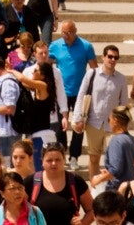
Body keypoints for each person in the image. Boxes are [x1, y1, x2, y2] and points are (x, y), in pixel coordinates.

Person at [72, 46, 129, 178]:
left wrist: (124, 126)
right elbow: (81, 96)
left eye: (115, 57)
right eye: (110, 56)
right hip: (94, 122)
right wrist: (77, 117)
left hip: (113, 124)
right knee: (94, 158)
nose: (112, 60)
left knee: (114, 160)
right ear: (103, 57)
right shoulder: (91, 74)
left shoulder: (121, 79)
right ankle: (94, 188)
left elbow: (124, 103)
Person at [48, 20, 96, 170]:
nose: (66, 36)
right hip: (60, 92)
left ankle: (74, 156)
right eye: (63, 32)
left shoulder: (86, 46)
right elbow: (47, 66)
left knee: (78, 126)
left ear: (75, 31)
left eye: (69, 32)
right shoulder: (55, 46)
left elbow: (94, 69)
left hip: (79, 93)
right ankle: (61, 154)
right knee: (59, 127)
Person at [24, 142, 93, 225]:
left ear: (64, 160)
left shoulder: (76, 181)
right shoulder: (30, 182)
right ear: (42, 161)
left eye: (58, 159)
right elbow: (16, 209)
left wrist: (82, 223)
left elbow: (92, 210)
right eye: (49, 160)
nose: (54, 163)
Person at [90, 107, 134, 192]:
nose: (109, 123)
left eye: (109, 120)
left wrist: (98, 179)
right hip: (132, 188)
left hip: (118, 191)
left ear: (115, 121)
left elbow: (115, 169)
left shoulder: (116, 141)